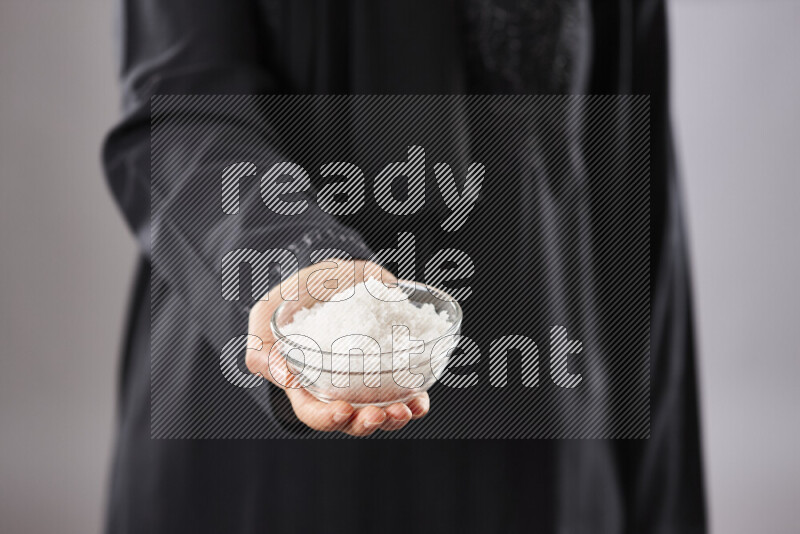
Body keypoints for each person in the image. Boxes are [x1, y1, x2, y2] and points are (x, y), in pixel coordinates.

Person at [103, 1, 705, 532]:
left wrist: (662, 505)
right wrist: (305, 278)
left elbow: (631, 181)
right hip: (268, 470)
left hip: (545, 455)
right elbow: (181, 107)